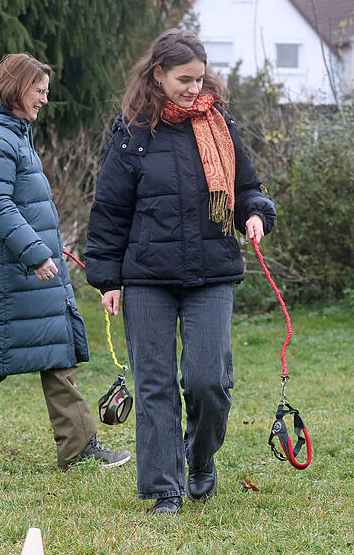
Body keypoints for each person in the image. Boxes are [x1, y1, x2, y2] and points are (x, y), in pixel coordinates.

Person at [84, 29, 276, 514]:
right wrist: (108, 279)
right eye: (183, 79)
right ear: (158, 75)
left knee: (209, 380)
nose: (194, 88)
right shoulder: (132, 133)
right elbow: (109, 210)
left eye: (199, 78)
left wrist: (254, 212)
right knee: (155, 385)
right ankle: (163, 488)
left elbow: (248, 187)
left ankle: (202, 457)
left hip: (212, 272)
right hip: (148, 276)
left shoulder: (220, 125)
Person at [0, 53, 130, 472]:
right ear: (16, 88)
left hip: (29, 272)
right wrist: (36, 252)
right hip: (11, 274)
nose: (43, 99)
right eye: (39, 91)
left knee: (58, 353)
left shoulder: (14, 134)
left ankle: (78, 448)